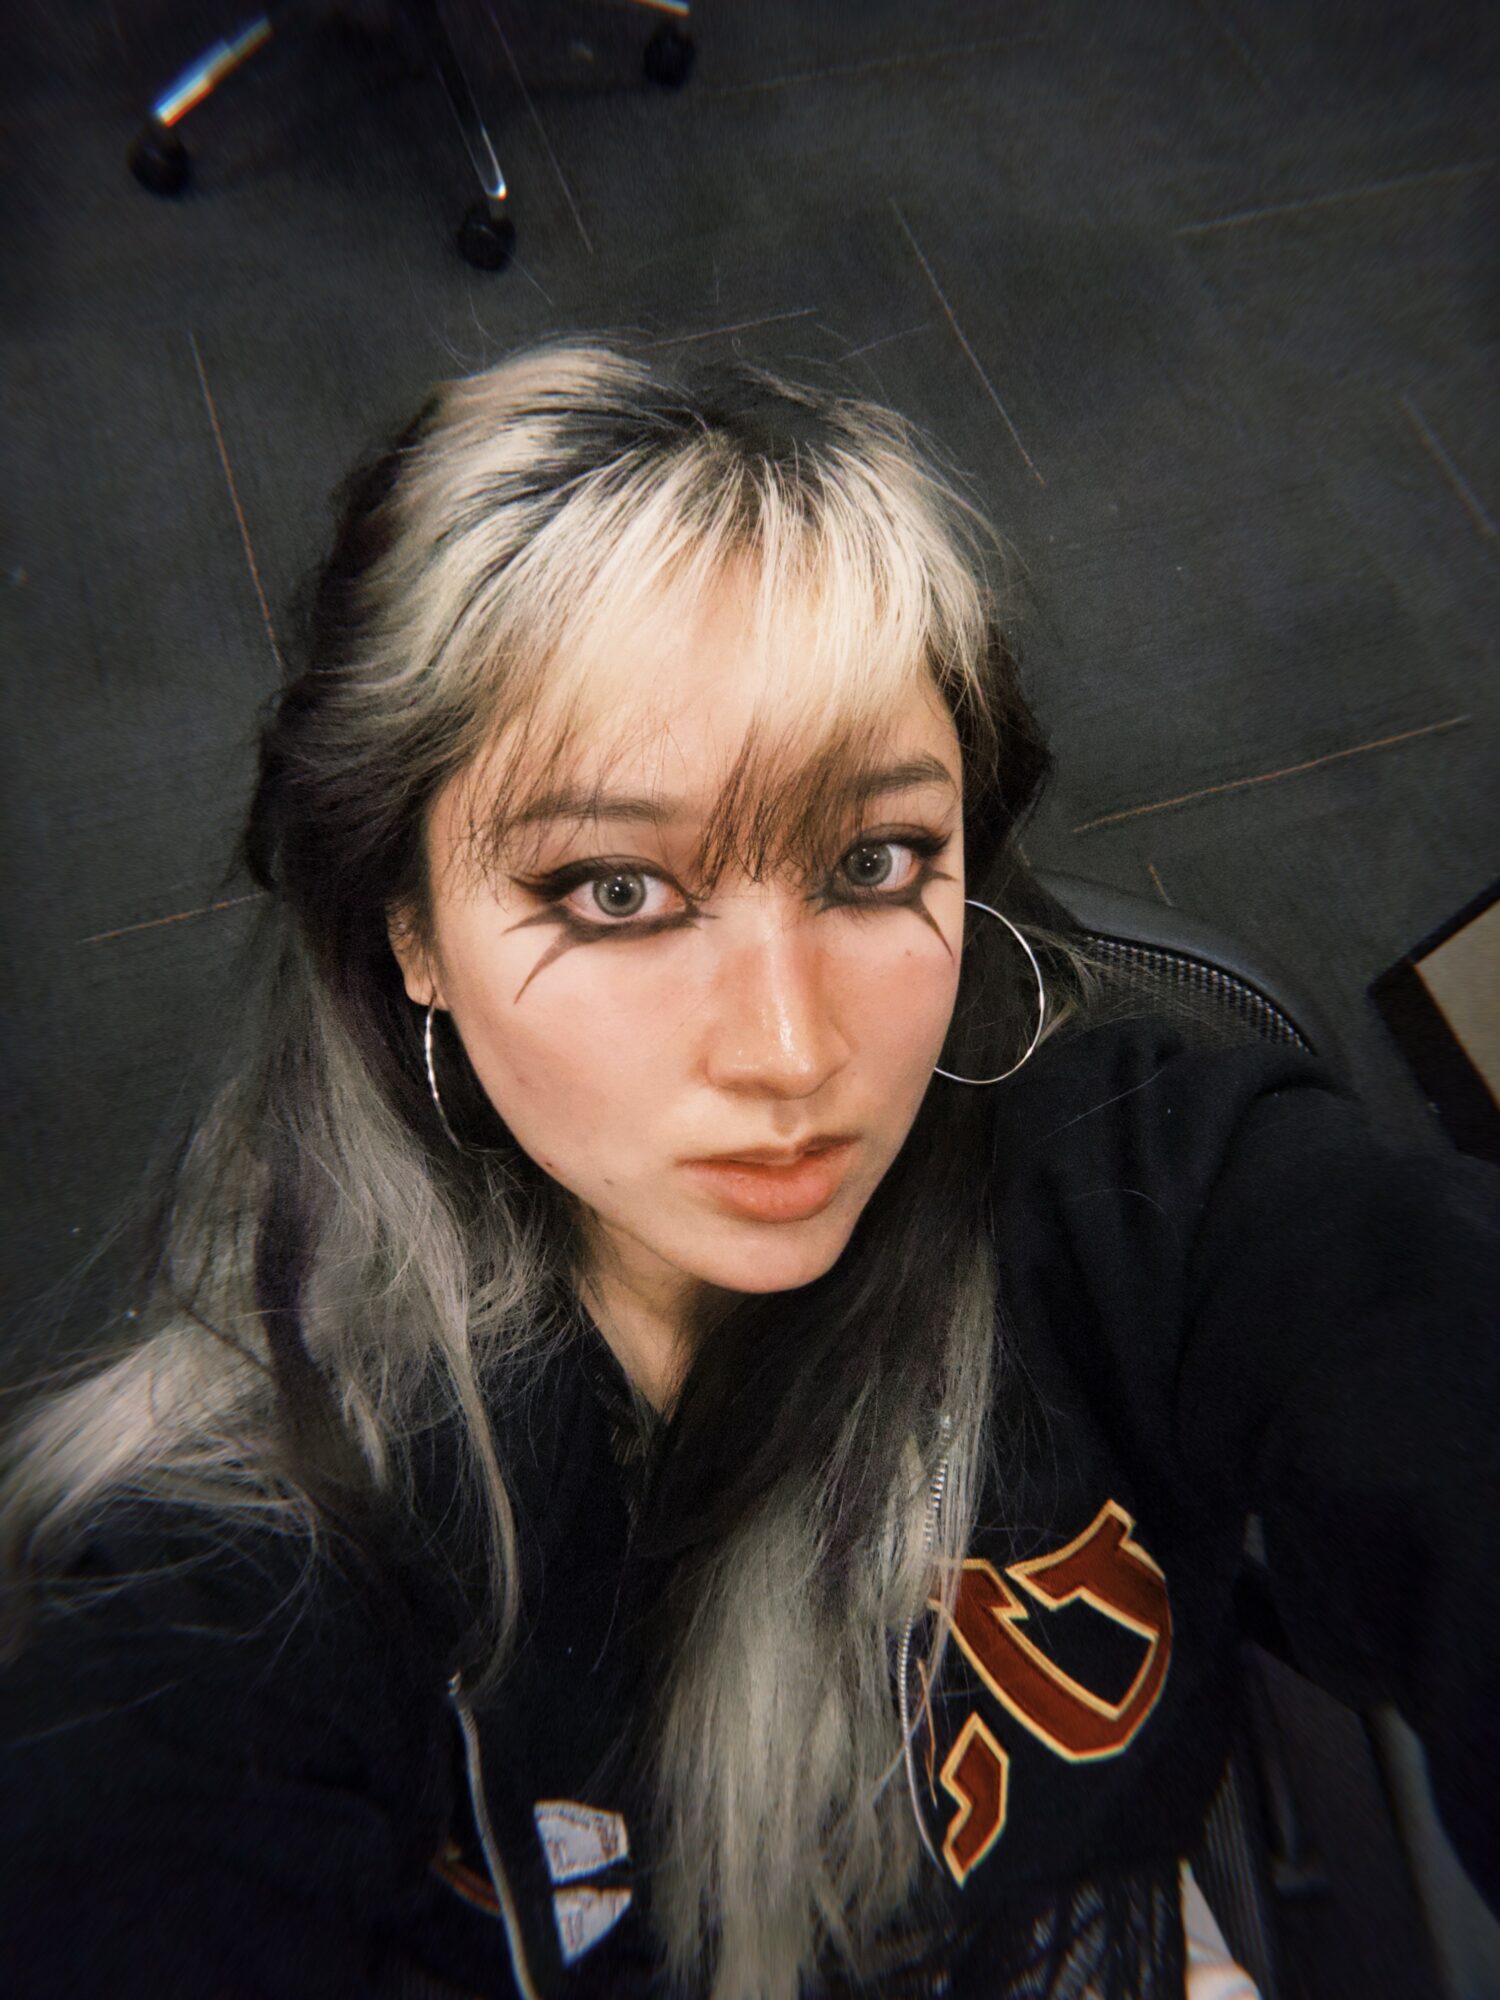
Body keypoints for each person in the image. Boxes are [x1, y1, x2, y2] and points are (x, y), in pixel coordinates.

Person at [1, 340, 1496, 2000]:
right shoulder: (279, 1534)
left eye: (874, 860)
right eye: (616, 891)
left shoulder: (1155, 1199)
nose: (790, 1051)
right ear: (407, 927)